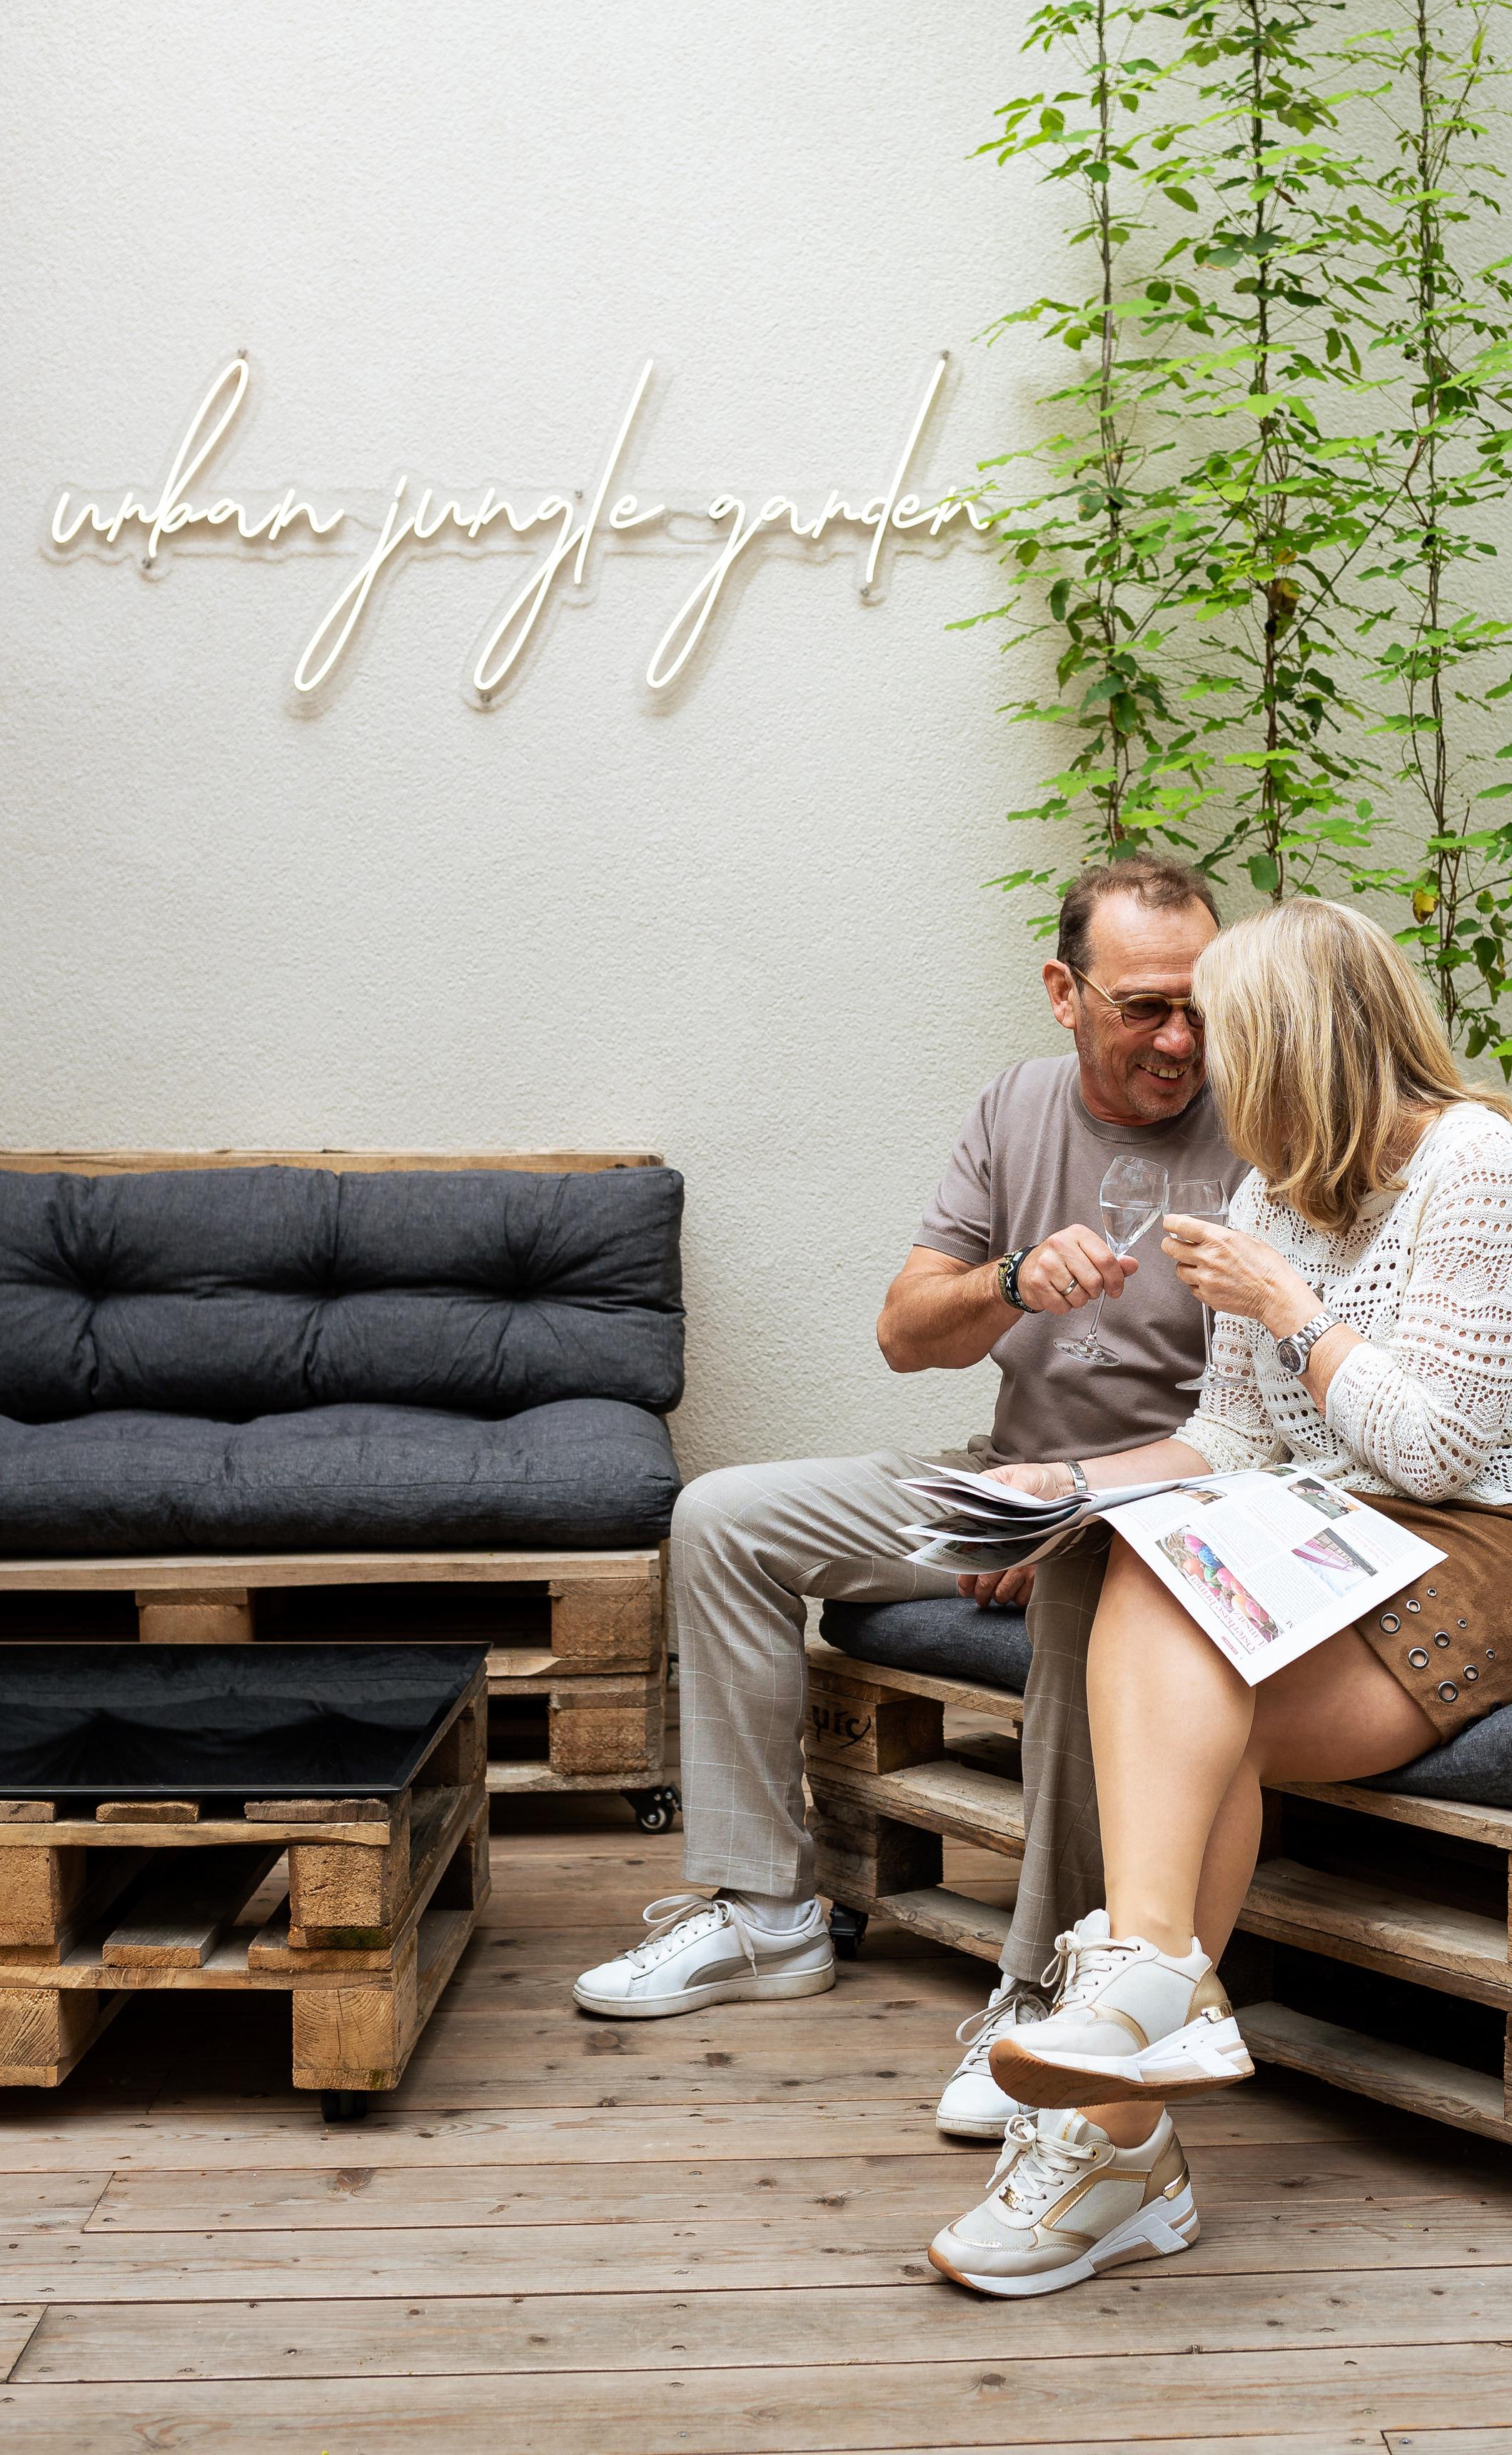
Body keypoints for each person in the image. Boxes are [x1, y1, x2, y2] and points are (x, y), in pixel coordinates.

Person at [929, 896, 1512, 2295]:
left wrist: (1289, 1308)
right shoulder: (1272, 1196)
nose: (1199, 1061)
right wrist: (1067, 1482)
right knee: (1145, 1554)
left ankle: (1117, 2123)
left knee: (1204, 1708)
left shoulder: (1475, 1167)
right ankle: (1150, 2010)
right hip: (1347, 1526)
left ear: (1300, 1046)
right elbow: (1231, 1443)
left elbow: (1438, 1451)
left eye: (1225, 1033)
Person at [573, 854, 1238, 2139]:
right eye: (1145, 1007)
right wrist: (1011, 1282)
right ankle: (767, 1913)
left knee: (1095, 1585)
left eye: (1200, 1005)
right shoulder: (1015, 1107)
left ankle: (1048, 1993)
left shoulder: (1260, 1128)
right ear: (1065, 992)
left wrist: (1073, 1512)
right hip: (1003, 1475)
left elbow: (1265, 1429)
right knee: (724, 1519)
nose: (1179, 1040)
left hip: (1159, 1515)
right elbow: (904, 1333)